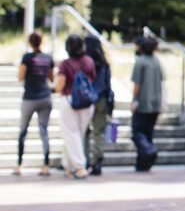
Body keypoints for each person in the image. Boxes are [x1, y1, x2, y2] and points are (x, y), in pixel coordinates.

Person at [55, 33, 96, 179]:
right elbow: (93, 78)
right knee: (78, 134)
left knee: (71, 134)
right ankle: (68, 165)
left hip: (70, 100)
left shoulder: (65, 64)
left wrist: (53, 88)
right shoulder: (89, 61)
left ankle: (79, 167)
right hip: (87, 102)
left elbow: (60, 85)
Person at [15, 31, 54, 176]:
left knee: (23, 131)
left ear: (30, 42)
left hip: (30, 98)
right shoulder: (48, 58)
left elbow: (20, 76)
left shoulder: (27, 58)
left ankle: (19, 165)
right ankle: (45, 165)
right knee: (44, 130)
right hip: (45, 97)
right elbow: (51, 78)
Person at [131, 35, 163, 172]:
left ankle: (149, 151)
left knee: (137, 132)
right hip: (155, 102)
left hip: (143, 102)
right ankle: (143, 163)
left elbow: (137, 83)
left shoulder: (140, 62)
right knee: (148, 133)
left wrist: (133, 99)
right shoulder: (156, 61)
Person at [84, 35, 114, 176]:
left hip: (87, 99)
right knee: (98, 131)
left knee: (84, 131)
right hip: (102, 99)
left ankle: (84, 160)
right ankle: (97, 161)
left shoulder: (85, 63)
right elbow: (108, 85)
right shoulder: (105, 64)